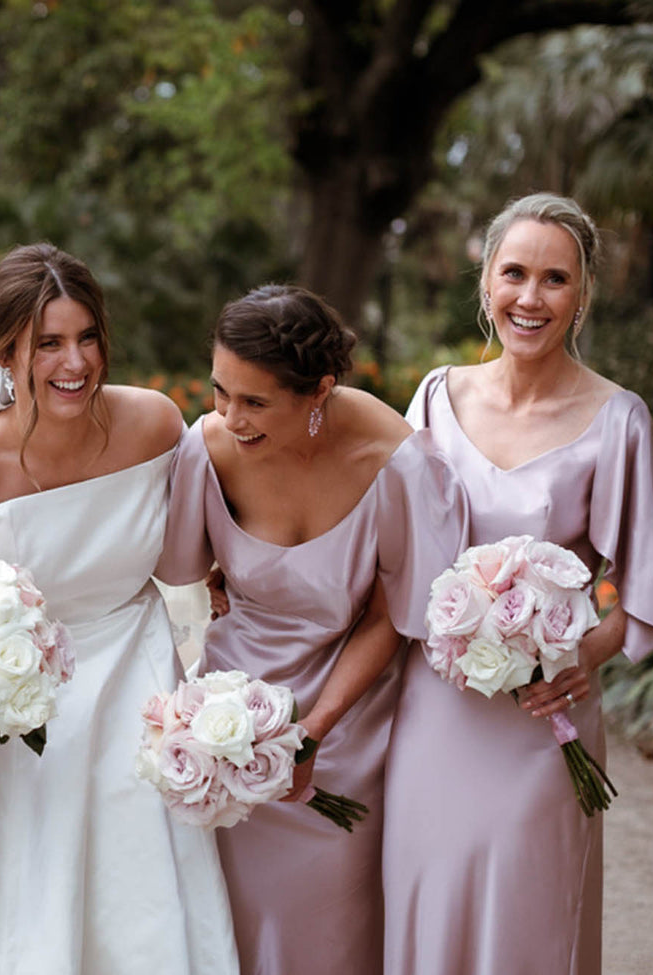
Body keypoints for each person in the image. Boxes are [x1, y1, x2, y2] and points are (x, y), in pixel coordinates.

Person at [381, 193, 653, 975]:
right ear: (486, 281)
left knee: (527, 911)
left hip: (543, 716)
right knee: (429, 897)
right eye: (514, 272)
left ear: (583, 294)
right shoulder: (434, 396)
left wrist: (587, 652)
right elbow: (388, 538)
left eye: (555, 279)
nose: (531, 297)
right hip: (436, 709)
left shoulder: (620, 420)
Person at [0, 243, 239, 974]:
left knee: (143, 899)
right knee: (32, 912)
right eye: (48, 343)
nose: (76, 361)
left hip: (141, 680)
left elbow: (188, 552)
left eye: (87, 336)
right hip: (25, 717)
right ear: (6, 353)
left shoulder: (155, 425)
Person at [156, 285, 468, 974]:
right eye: (219, 392)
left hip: (345, 730)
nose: (230, 418)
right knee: (220, 925)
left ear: (319, 390)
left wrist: (313, 729)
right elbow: (185, 570)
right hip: (224, 731)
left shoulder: (396, 463)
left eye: (255, 402)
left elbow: (396, 614)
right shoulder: (206, 446)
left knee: (326, 931)